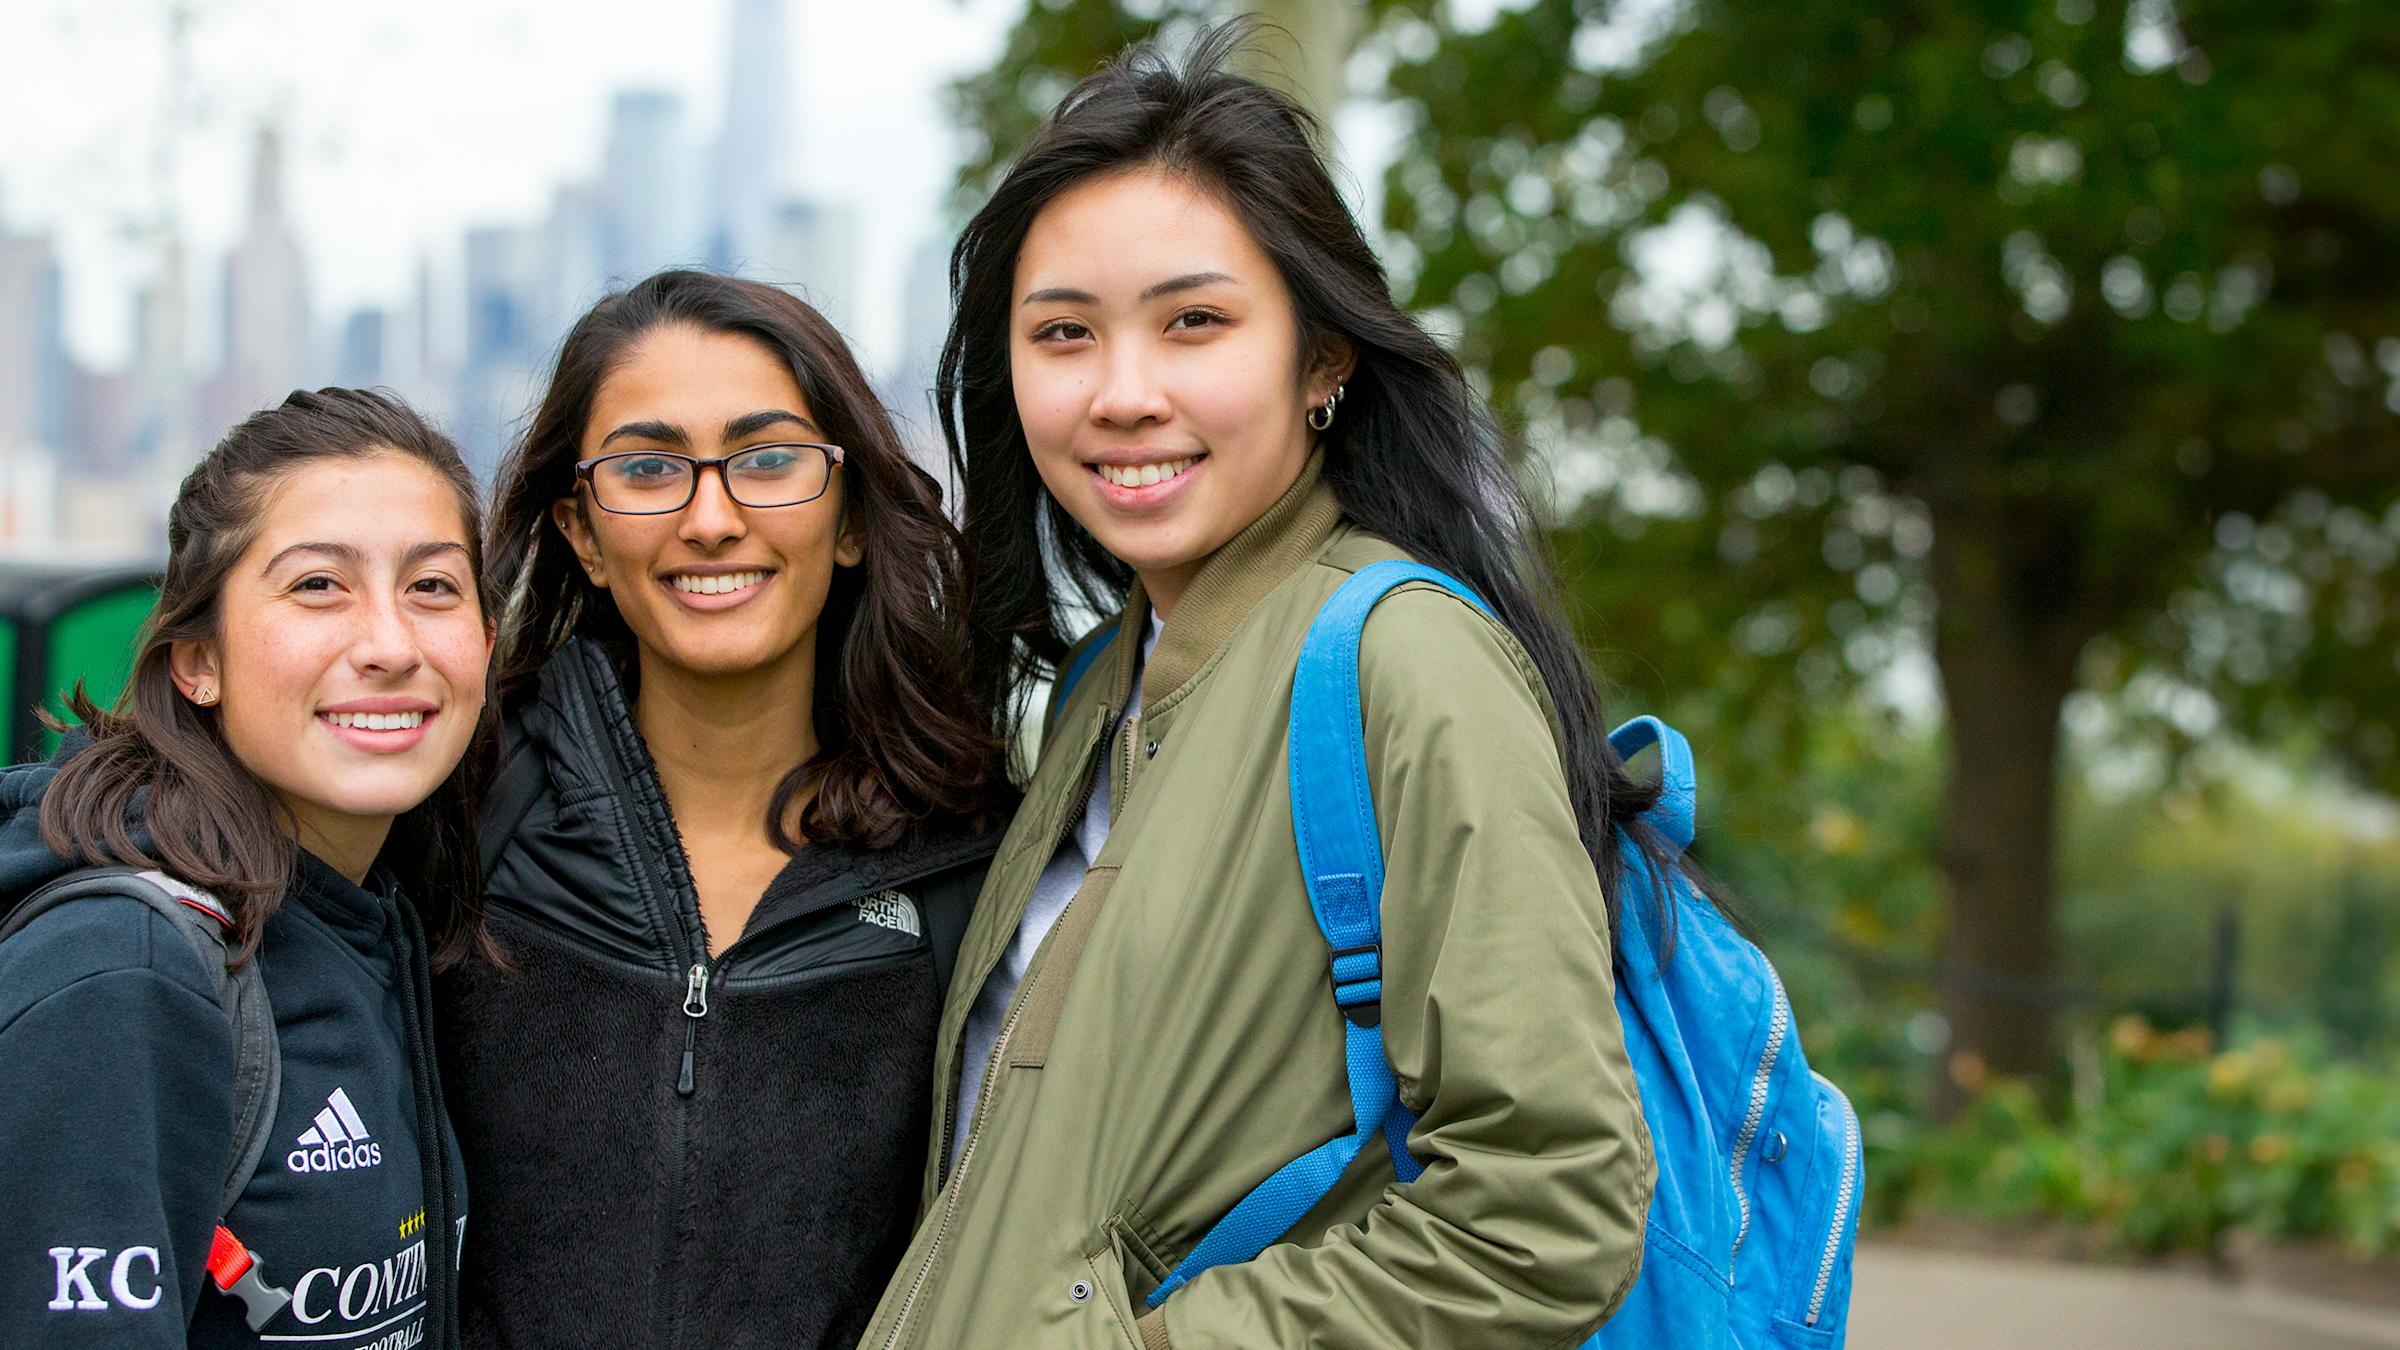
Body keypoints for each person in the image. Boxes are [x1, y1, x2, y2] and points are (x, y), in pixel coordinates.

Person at [863, 26, 1669, 1350]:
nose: (1124, 394)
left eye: (1195, 323)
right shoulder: (1099, 690)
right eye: (1063, 333)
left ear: (1322, 358)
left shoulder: (1407, 660)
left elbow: (1549, 1202)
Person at [441, 269, 1008, 1349]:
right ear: (583, 532)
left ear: (848, 519)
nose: (711, 518)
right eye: (648, 468)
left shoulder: (972, 866)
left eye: (768, 461)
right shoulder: (464, 820)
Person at [0, 389, 492, 1349]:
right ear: (197, 661)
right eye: (318, 586)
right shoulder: (124, 970)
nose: (390, 644)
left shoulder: (382, 915)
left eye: (434, 587)